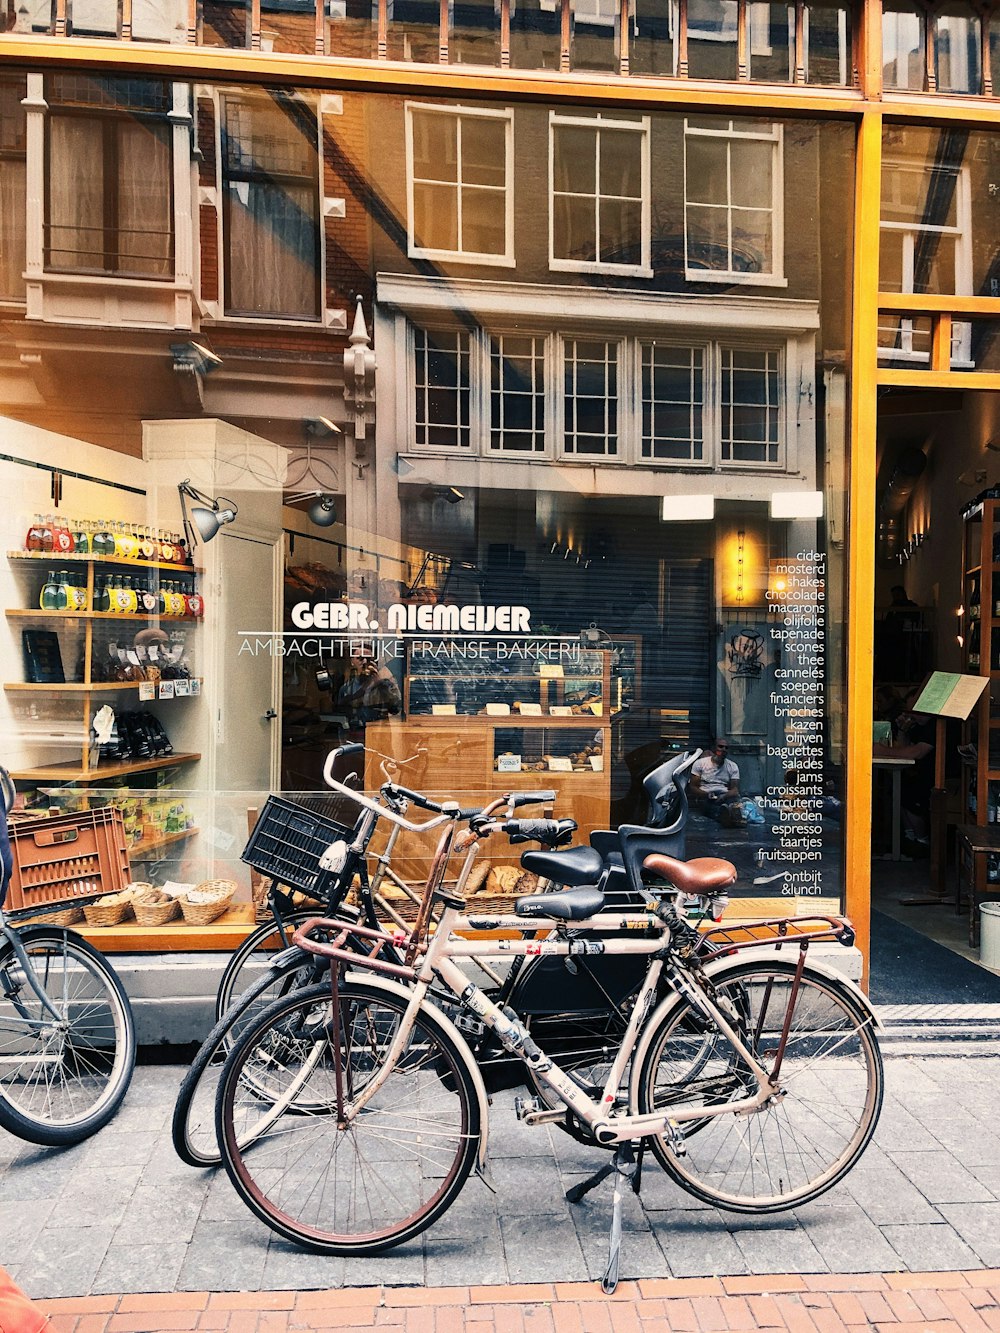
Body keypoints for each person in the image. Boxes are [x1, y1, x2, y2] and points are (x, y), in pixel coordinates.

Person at [691, 739, 741, 822]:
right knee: (710, 807)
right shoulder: (700, 764)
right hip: (705, 795)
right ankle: (725, 817)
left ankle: (728, 815)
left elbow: (735, 790)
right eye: (720, 746)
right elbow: (693, 787)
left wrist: (724, 796)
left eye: (726, 748)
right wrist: (707, 794)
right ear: (714, 748)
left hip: (723, 795)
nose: (723, 749)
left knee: (734, 804)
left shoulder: (732, 766)